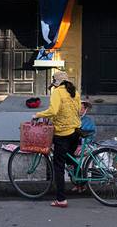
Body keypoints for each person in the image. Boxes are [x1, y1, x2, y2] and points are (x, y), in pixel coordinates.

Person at [34, 71, 81, 208]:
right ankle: (81, 183)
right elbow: (78, 110)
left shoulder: (57, 92)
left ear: (57, 83)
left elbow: (53, 110)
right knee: (69, 158)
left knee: (58, 166)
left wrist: (38, 114)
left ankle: (61, 199)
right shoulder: (74, 92)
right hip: (75, 131)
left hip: (63, 133)